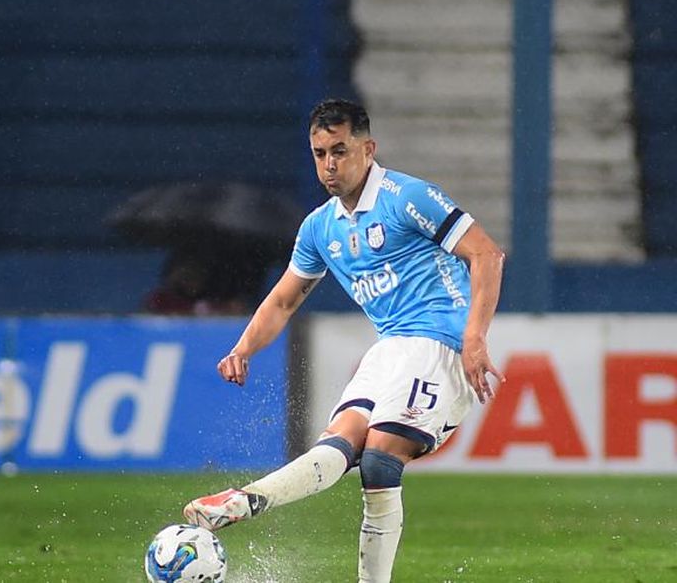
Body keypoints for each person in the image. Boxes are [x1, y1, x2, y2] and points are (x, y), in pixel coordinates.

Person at [182, 99, 506, 583]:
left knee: (380, 458)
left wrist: (474, 336)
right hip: (390, 349)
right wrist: (244, 347)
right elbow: (284, 301)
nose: (329, 164)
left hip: (439, 342)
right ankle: (246, 501)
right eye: (319, 154)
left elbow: (486, 253)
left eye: (340, 150)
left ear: (368, 149)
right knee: (341, 443)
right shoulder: (319, 227)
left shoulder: (407, 197)